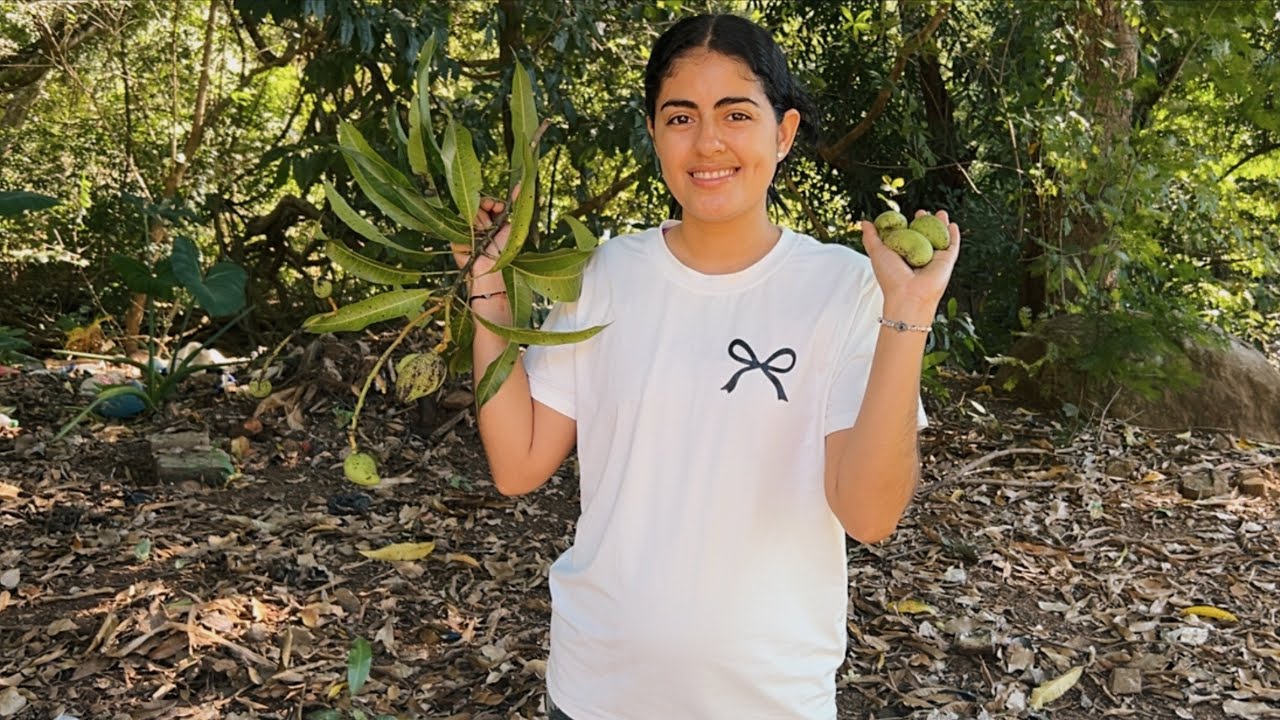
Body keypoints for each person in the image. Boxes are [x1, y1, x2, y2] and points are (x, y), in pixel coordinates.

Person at [455, 13, 960, 720]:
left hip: (769, 699)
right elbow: (518, 463)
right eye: (681, 116)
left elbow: (869, 515)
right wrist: (487, 282)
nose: (709, 142)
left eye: (736, 114)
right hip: (597, 689)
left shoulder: (843, 289)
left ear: (783, 134)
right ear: (655, 133)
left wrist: (907, 312)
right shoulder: (603, 273)